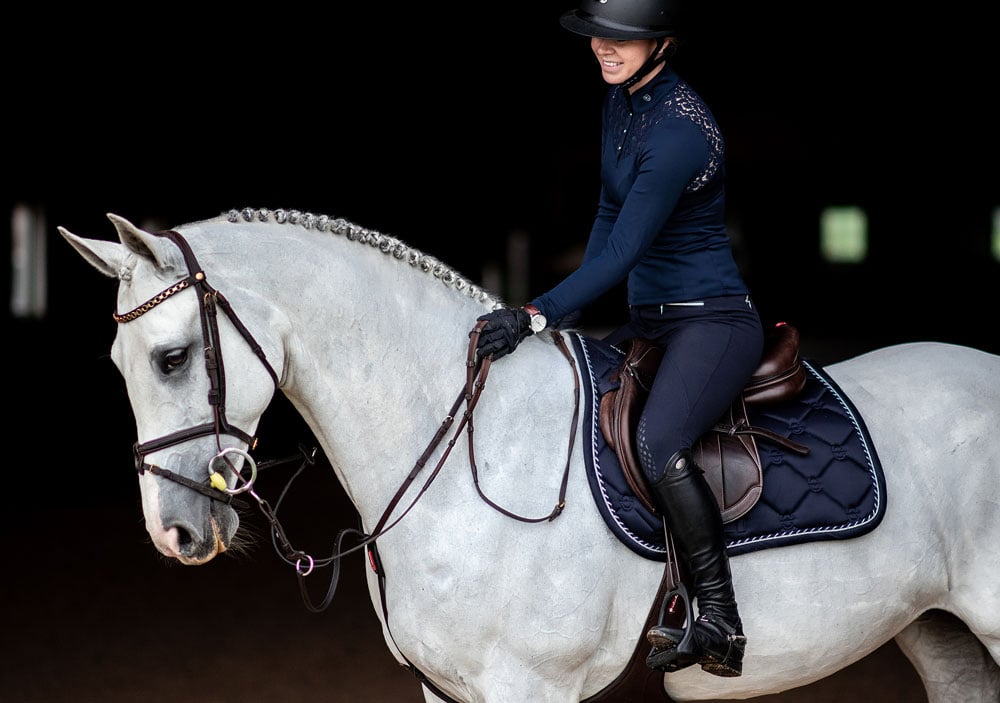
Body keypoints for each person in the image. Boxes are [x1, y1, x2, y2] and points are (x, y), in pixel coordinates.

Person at [474, 0, 764, 678]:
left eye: (623, 39)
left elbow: (625, 250)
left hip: (711, 321)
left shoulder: (679, 131)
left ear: (663, 43)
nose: (604, 47)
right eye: (598, 36)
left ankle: (721, 618)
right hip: (653, 318)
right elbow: (608, 216)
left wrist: (536, 313)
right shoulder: (621, 103)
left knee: (658, 442)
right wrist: (562, 315)